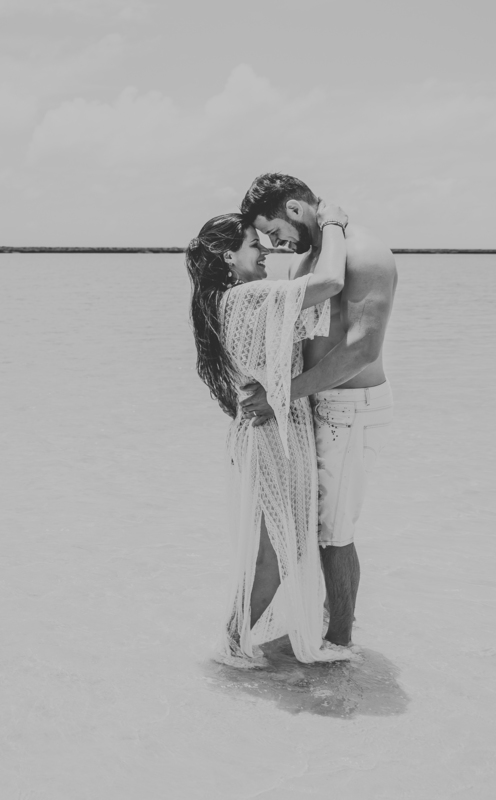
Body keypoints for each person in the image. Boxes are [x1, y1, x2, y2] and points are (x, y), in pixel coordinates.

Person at [186, 202, 353, 668]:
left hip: (265, 433)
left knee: (279, 550)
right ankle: (232, 646)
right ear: (226, 256)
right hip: (271, 436)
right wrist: (334, 225)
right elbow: (331, 283)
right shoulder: (245, 297)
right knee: (277, 553)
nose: (264, 252)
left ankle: (237, 641)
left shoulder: (229, 301)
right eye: (254, 244)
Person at [237, 174, 398, 651]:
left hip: (351, 407)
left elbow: (362, 350)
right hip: (314, 402)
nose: (274, 244)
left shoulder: (364, 252)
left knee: (334, 535)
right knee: (305, 526)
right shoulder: (315, 253)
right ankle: (319, 630)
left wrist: (281, 396)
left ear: (293, 208)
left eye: (272, 231)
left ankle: (340, 646)